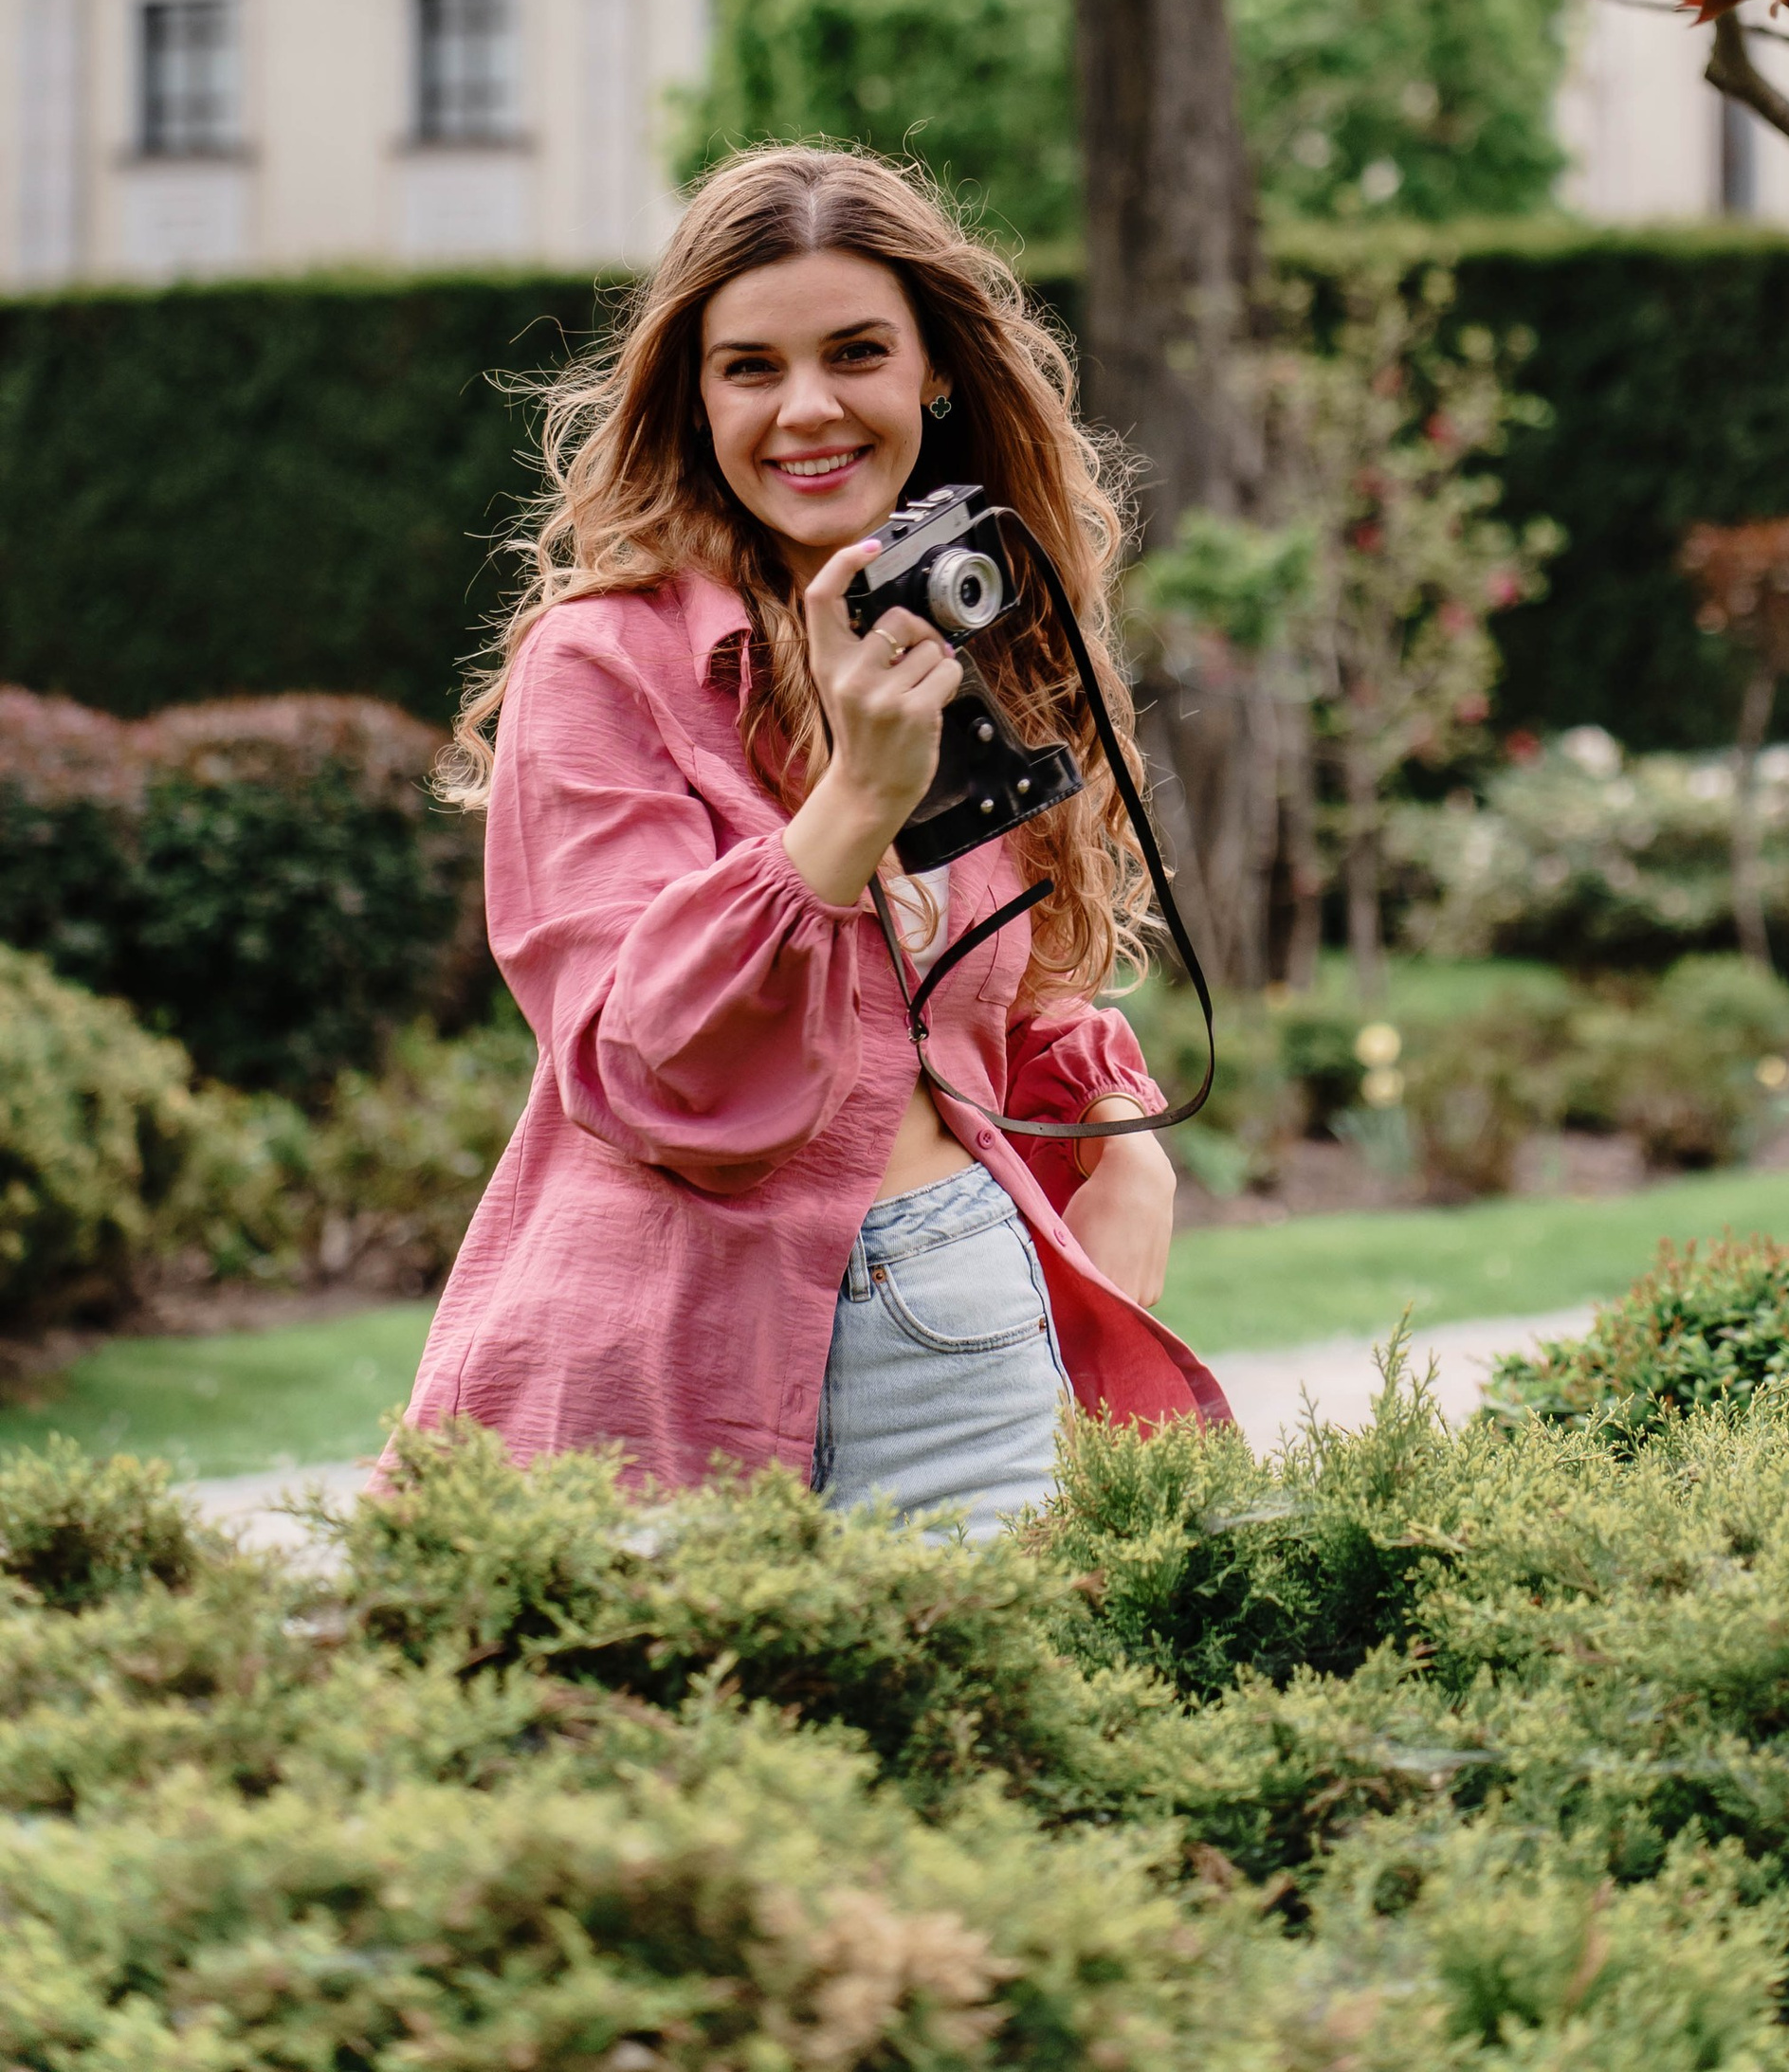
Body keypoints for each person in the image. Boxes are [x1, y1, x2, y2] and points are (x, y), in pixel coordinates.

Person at [404, 142, 1228, 1528]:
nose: (806, 410)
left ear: (935, 373)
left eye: (856, 353)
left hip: (964, 1331)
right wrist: (850, 803)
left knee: (990, 1738)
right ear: (694, 397)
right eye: (750, 369)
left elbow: (993, 994)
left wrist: (1125, 1133)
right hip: (667, 1350)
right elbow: (636, 1062)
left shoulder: (967, 628)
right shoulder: (603, 669)